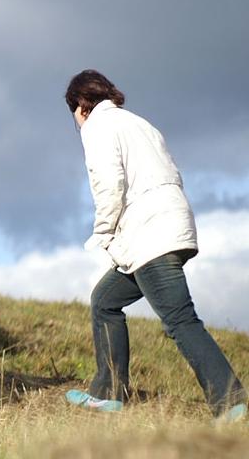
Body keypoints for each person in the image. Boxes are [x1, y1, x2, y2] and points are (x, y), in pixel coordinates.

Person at [63, 70, 247, 422]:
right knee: (105, 301)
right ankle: (109, 393)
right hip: (170, 226)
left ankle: (229, 401)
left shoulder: (98, 128)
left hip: (150, 235)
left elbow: (109, 184)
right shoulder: (141, 124)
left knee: (180, 320)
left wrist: (102, 234)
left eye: (73, 113)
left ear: (81, 105)